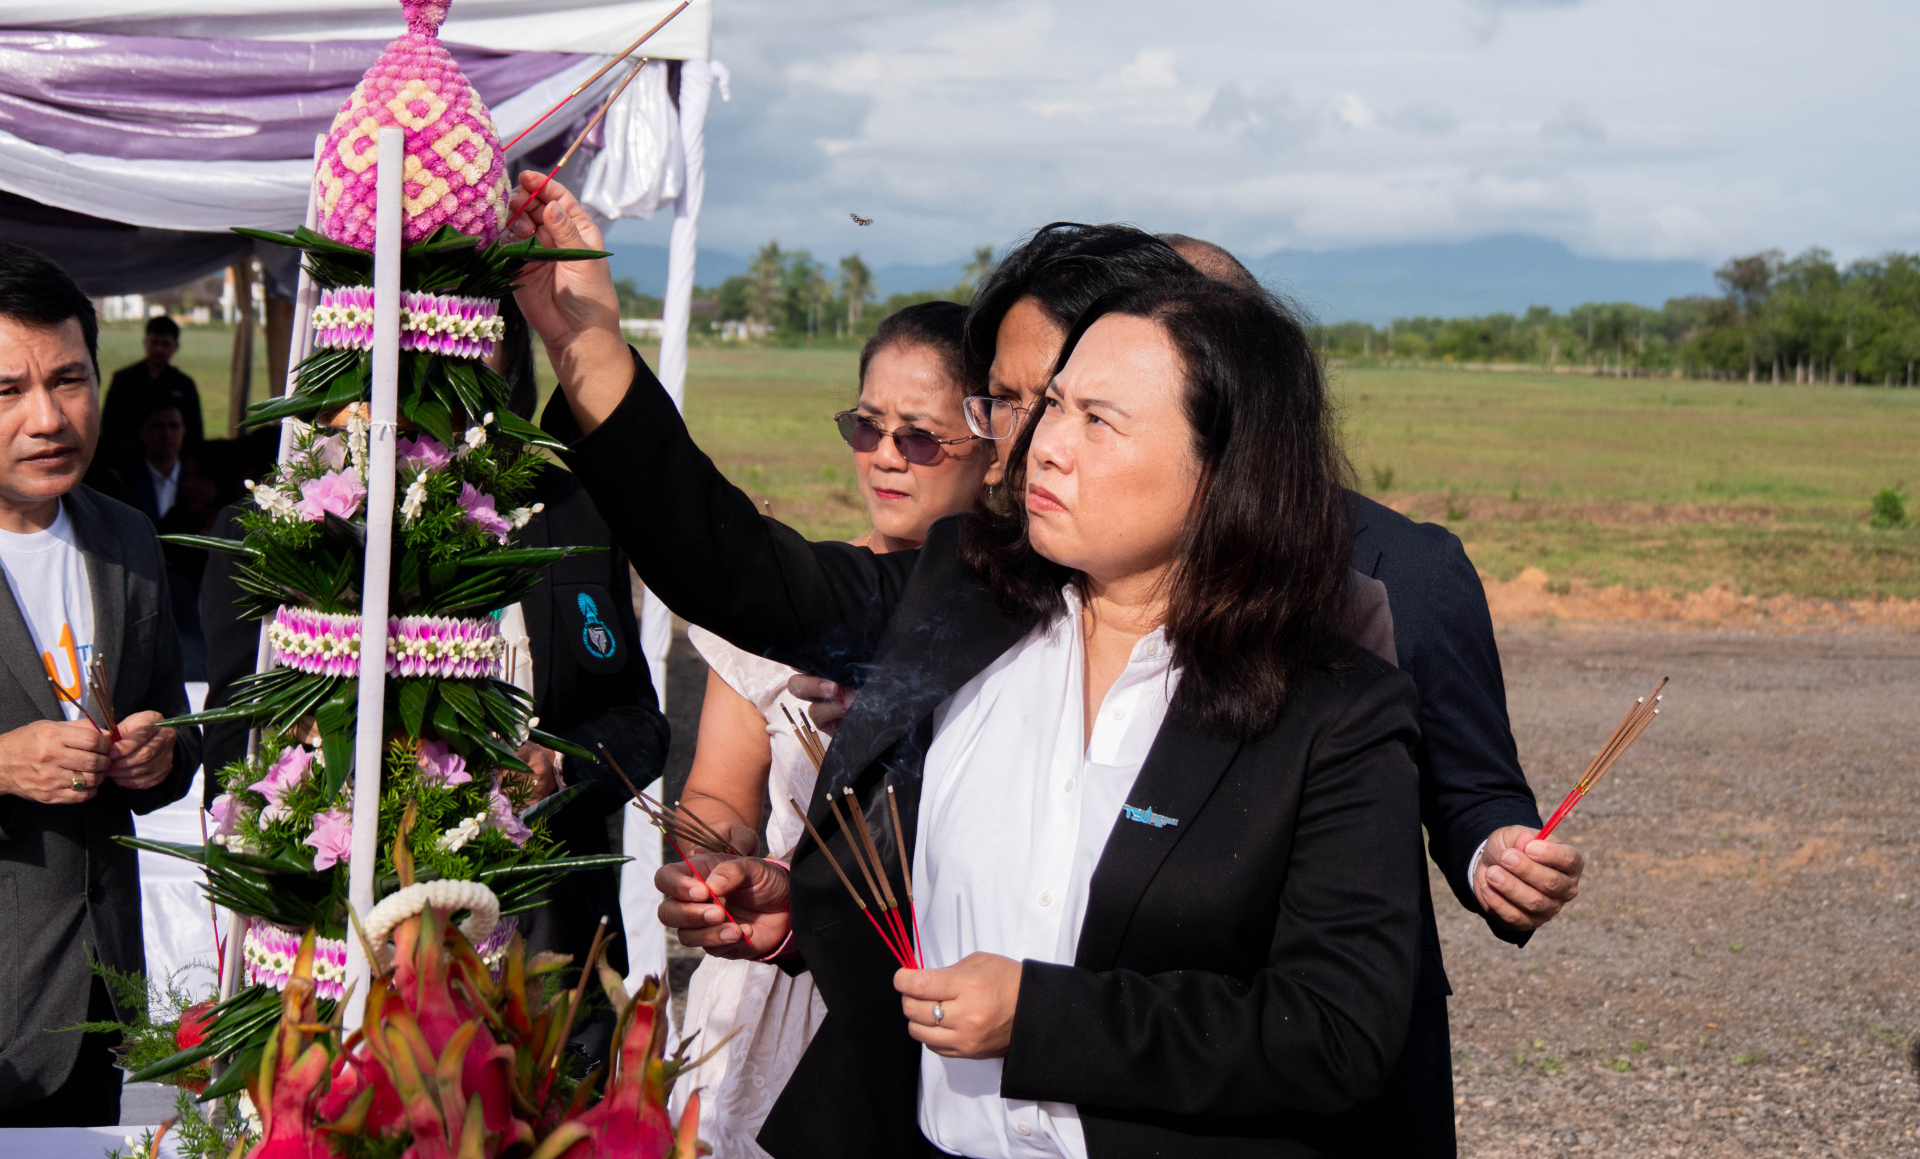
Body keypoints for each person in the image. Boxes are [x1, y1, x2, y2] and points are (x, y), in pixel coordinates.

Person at [510, 175, 1426, 1157]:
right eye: (1030, 404)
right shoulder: (967, 600)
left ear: (1226, 460)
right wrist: (587, 346)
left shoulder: (1335, 708)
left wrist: (1044, 1019)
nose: (1036, 447)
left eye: (1091, 415)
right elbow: (734, 570)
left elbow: (1332, 1029)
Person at [852, 221, 1578, 1155]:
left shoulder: (1406, 576)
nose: (1040, 443)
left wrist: (1492, 855)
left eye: (1098, 408)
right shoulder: (1031, 591)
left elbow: (1465, 792)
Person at [196, 296, 671, 1070]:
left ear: (504, 364)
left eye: (463, 353)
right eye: (407, 354)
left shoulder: (569, 514)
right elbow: (231, 748)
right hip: (343, 963)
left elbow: (640, 723)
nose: (433, 382)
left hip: (545, 964)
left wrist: (559, 766)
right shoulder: (281, 527)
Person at [670, 301, 994, 1155]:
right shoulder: (788, 603)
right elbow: (715, 792)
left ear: (993, 446)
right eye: (867, 427)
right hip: (773, 984)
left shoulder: (1024, 634)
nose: (885, 456)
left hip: (933, 997)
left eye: (918, 437)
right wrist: (716, 864)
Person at [0, 242, 198, 1126]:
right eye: (7, 391)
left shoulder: (127, 537)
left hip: (96, 1000)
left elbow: (182, 727)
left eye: (68, 380)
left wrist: (162, 753)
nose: (47, 418)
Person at [101, 314, 203, 469]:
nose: (158, 349)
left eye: (165, 344)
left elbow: (194, 432)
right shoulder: (124, 380)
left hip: (170, 467)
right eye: (154, 342)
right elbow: (109, 426)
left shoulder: (184, 385)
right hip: (128, 464)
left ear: (175, 346)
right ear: (145, 342)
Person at [123, 398, 187, 525]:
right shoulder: (126, 481)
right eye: (158, 426)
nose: (167, 433)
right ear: (143, 431)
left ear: (183, 430)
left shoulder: (194, 482)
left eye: (173, 426)